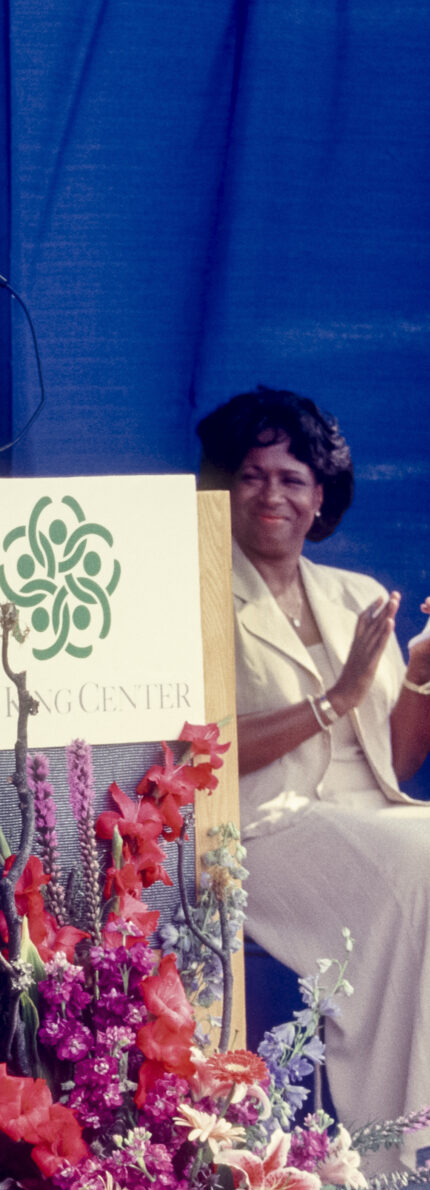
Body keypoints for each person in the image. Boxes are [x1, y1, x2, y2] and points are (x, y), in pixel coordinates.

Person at [197, 385, 430, 1146]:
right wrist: (333, 698)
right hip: (261, 832)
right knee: (421, 858)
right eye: (252, 475)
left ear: (320, 495)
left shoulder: (355, 594)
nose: (272, 494)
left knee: (414, 850)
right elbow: (196, 753)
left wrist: (420, 674)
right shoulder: (196, 599)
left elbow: (393, 760)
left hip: (372, 823)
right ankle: (400, 1150)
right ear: (223, 487)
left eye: (292, 478)